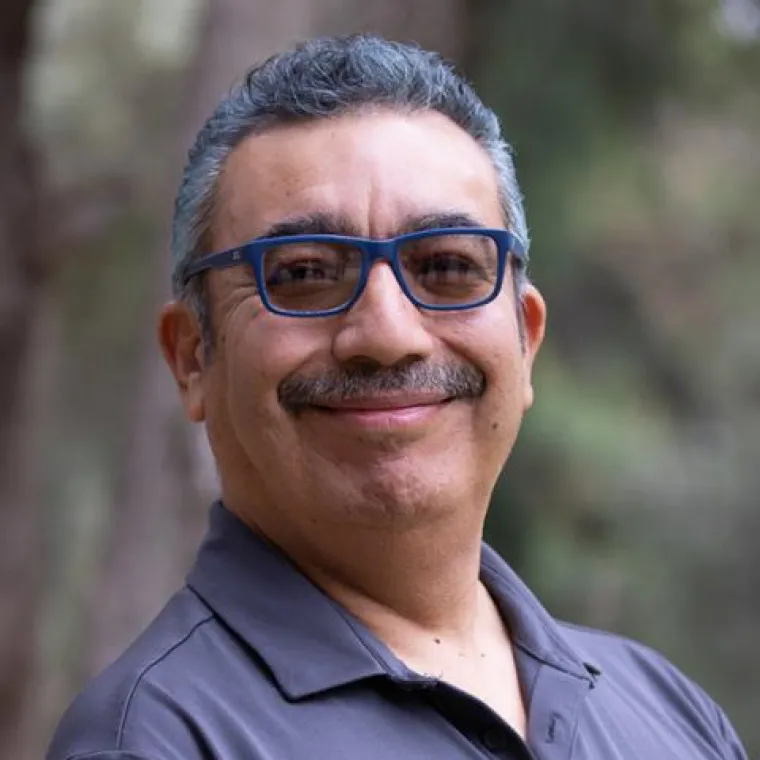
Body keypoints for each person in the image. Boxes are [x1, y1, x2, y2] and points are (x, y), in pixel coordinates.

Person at [47, 34, 747, 760]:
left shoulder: (671, 715)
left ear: (526, 340)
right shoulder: (155, 741)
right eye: (304, 272)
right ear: (194, 356)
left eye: (447, 265)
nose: (387, 334)